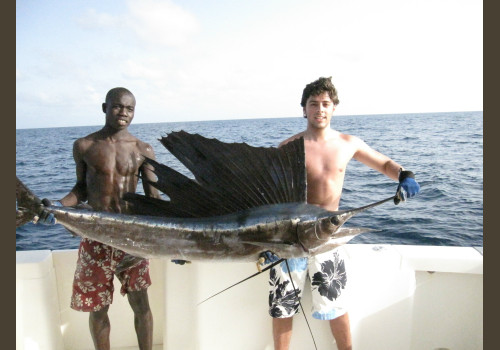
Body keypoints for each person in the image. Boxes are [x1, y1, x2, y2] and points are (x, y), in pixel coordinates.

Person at [262, 77, 420, 350]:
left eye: (325, 104)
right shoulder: (288, 147)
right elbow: (267, 195)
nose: (319, 109)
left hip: (328, 236)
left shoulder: (348, 143)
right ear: (304, 109)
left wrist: (404, 174)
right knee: (282, 305)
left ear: (334, 108)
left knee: (335, 304)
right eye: (313, 104)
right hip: (289, 236)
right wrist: (266, 239)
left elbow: (383, 163)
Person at [37, 87, 161, 350]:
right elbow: (81, 188)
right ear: (104, 108)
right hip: (96, 237)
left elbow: (155, 200)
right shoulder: (84, 145)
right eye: (117, 106)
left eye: (130, 109)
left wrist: (172, 241)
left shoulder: (143, 149)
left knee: (141, 305)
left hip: (132, 239)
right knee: (98, 308)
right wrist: (59, 206)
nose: (123, 113)